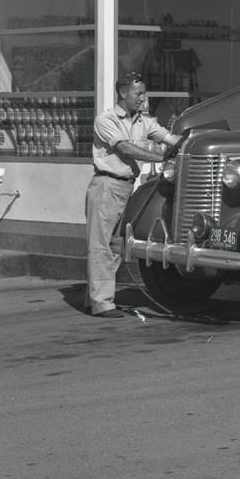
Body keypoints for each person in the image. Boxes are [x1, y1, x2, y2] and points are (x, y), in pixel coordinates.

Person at [84, 72, 181, 318]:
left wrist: (188, 142)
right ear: (122, 93)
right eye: (138, 93)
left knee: (115, 245)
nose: (143, 98)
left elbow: (169, 138)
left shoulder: (143, 122)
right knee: (101, 247)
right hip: (106, 185)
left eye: (144, 93)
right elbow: (124, 148)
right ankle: (102, 304)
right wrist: (162, 156)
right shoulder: (105, 120)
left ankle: (96, 298)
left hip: (127, 186)